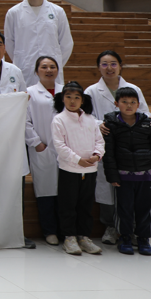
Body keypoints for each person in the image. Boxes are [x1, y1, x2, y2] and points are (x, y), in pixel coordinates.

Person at [86, 50, 151, 246]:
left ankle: (131, 229)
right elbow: (86, 117)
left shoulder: (133, 89)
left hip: (130, 148)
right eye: (104, 64)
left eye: (113, 63)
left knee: (130, 190)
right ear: (98, 67)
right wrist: (98, 124)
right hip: (105, 145)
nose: (109, 68)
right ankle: (111, 227)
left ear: (120, 66)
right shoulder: (91, 91)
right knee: (107, 188)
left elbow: (145, 113)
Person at [103, 86, 151, 256]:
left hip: (146, 175)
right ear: (116, 104)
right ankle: (125, 237)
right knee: (124, 209)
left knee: (145, 208)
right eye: (124, 102)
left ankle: (143, 239)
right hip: (123, 176)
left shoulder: (148, 123)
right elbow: (109, 153)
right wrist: (112, 175)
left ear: (138, 104)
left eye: (133, 102)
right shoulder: (111, 125)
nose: (129, 105)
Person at [52, 82, 104, 256]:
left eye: (76, 97)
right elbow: (60, 146)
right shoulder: (59, 119)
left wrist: (97, 155)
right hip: (69, 169)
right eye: (68, 97)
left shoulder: (90, 119)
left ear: (82, 100)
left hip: (90, 170)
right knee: (68, 204)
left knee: (85, 205)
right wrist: (77, 160)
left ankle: (84, 237)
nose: (72, 101)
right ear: (62, 99)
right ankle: (69, 237)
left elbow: (99, 141)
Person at [5, 0, 74, 86]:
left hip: (51, 69)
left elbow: (66, 43)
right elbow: (9, 43)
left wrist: (54, 65)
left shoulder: (57, 11)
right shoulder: (14, 13)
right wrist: (22, 60)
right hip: (25, 67)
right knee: (26, 95)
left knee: (53, 96)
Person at [25, 56, 64, 246]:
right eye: (44, 67)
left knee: (65, 192)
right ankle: (50, 231)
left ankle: (65, 231)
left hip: (65, 149)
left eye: (52, 67)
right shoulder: (30, 92)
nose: (49, 70)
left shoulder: (66, 91)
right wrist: (37, 143)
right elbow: (25, 121)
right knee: (46, 191)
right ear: (36, 71)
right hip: (42, 147)